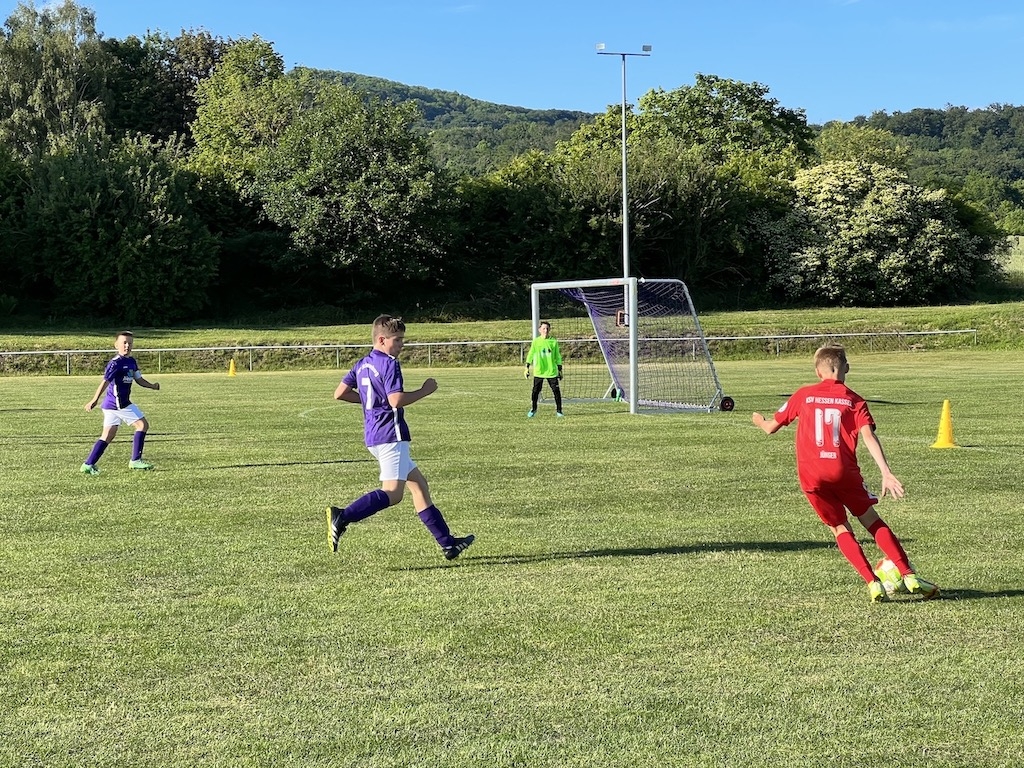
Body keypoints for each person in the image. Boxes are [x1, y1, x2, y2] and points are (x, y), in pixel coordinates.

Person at [751, 345, 939, 603]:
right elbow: (868, 436)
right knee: (871, 520)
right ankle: (909, 574)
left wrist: (759, 421)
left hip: (811, 475)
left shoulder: (804, 394)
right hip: (843, 472)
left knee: (839, 527)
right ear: (847, 368)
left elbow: (771, 428)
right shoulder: (854, 400)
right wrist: (885, 471)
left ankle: (872, 582)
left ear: (818, 372)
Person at [326, 314, 475, 560]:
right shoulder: (390, 363)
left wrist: (373, 402)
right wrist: (425, 391)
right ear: (382, 340)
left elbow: (340, 393)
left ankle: (448, 544)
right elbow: (396, 400)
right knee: (394, 493)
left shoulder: (361, 364)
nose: (401, 345)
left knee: (419, 485)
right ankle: (342, 516)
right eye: (397, 340)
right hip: (390, 435)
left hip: (374, 434)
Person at [81, 330, 160, 474]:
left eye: (130, 343)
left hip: (112, 405)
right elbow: (105, 382)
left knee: (108, 435)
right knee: (142, 425)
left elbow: (139, 379)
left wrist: (152, 386)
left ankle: (88, 465)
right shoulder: (115, 363)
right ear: (116, 345)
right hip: (118, 404)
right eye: (124, 343)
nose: (127, 346)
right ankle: (135, 460)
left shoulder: (131, 362)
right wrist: (94, 400)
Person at [524, 320, 563, 418]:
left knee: (556, 391)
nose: (546, 330)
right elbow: (531, 354)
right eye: (544, 328)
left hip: (551, 371)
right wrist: (527, 367)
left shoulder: (553, 342)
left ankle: (559, 411)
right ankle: (533, 409)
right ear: (539, 330)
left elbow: (557, 356)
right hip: (539, 371)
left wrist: (560, 369)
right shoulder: (536, 341)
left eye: (547, 328)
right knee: (535, 391)